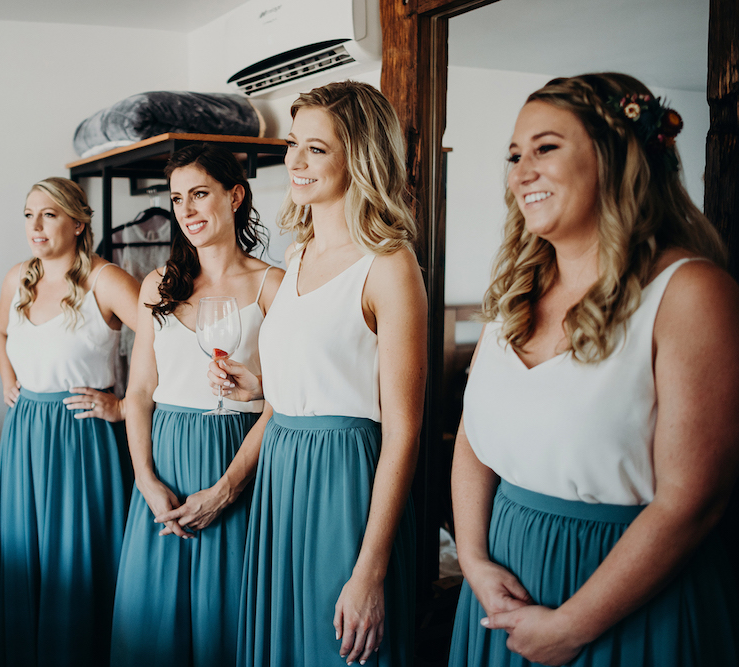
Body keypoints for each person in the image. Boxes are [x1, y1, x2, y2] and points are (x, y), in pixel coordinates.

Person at [449, 72, 739, 666]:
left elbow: (693, 500)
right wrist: (475, 563)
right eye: (513, 155)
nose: (521, 170)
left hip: (626, 600)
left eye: (545, 147)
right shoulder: (513, 296)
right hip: (498, 594)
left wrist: (572, 627)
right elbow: (474, 443)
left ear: (617, 157)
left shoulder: (690, 294)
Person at [225, 80, 427, 666]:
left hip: (345, 482)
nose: (295, 160)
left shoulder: (389, 265)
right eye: (294, 144)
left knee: (335, 645)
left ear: (359, 156)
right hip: (281, 474)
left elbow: (405, 430)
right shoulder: (297, 255)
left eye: (316, 148)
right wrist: (267, 388)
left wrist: (370, 570)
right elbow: (328, 368)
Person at [109, 143, 283, 667]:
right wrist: (144, 477)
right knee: (151, 622)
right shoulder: (157, 286)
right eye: (177, 197)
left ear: (235, 196)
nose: (185, 210)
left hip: (239, 462)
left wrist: (228, 487)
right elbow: (138, 394)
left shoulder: (273, 285)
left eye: (199, 194)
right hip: (163, 466)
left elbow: (281, 400)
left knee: (224, 624)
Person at [0, 177, 140, 667]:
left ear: (79, 222)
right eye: (29, 214)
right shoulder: (18, 277)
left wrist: (123, 405)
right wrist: (9, 377)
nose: (35, 225)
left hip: (81, 436)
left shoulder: (106, 279)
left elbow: (169, 338)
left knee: (76, 558)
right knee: (25, 552)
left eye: (49, 214)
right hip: (25, 432)